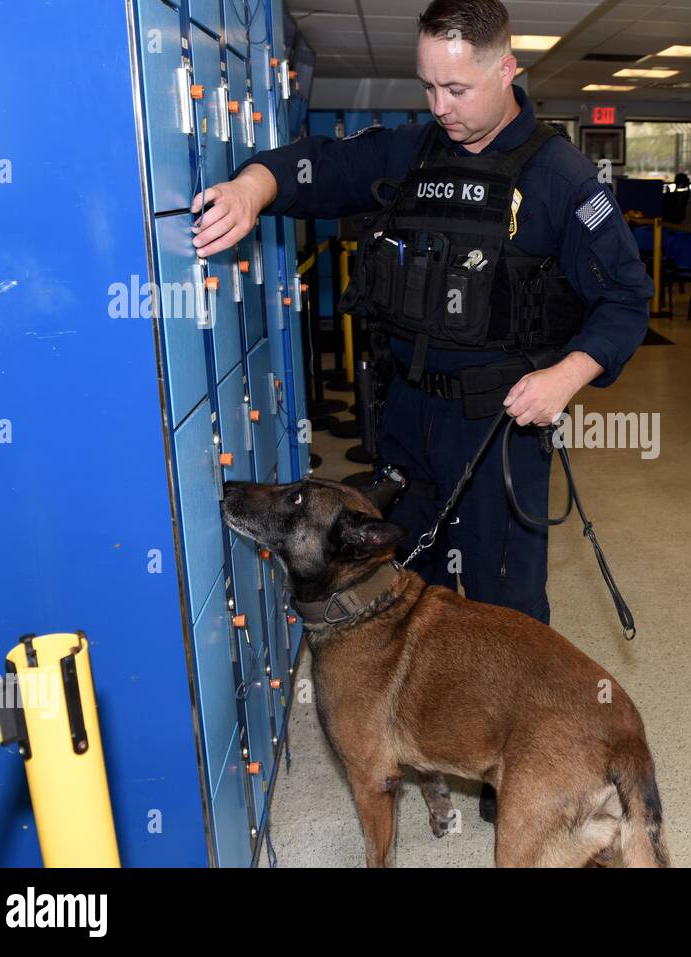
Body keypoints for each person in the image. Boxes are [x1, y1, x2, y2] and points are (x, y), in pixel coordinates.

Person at [189, 0, 653, 823]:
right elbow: (319, 169)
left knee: (507, 612)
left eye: (458, 88)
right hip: (407, 420)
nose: (440, 106)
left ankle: (519, 771)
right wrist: (253, 187)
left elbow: (626, 298)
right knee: (404, 597)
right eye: (428, 85)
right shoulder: (414, 153)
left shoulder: (560, 178)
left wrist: (566, 376)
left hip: (499, 427)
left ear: (508, 70)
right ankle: (427, 739)